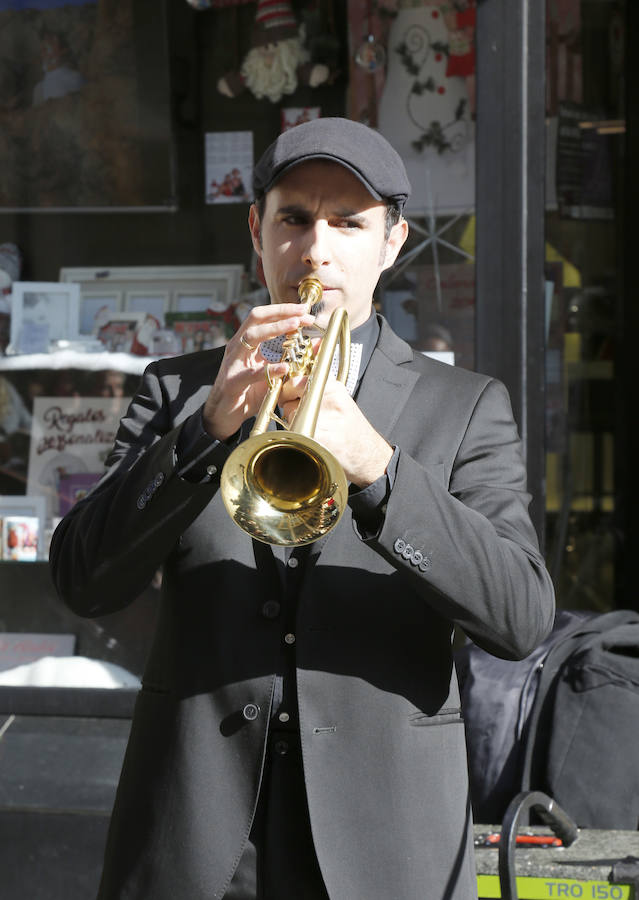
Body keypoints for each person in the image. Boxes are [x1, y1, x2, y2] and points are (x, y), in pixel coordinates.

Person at [49, 117, 555, 900]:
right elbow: (85, 582)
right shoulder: (177, 390)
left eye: (348, 223)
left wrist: (380, 470)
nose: (316, 251)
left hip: (382, 845)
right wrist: (209, 428)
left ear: (391, 243)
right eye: (294, 219)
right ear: (258, 230)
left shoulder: (464, 407)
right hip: (197, 842)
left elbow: (519, 618)